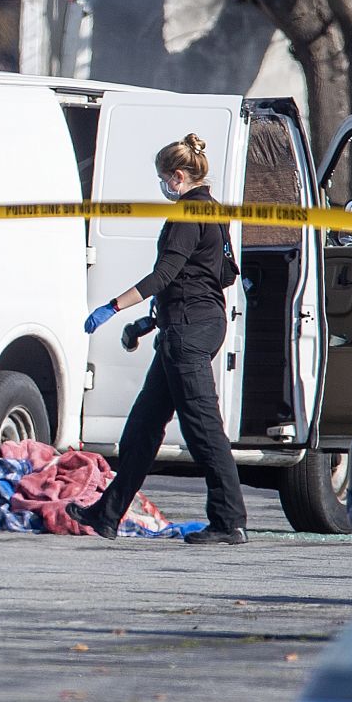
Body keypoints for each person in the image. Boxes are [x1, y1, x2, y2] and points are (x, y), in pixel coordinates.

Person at [66, 133, 248, 545]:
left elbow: (165, 275)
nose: (163, 186)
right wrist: (151, 322)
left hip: (188, 332)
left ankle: (228, 521)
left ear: (179, 176)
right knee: (143, 428)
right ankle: (107, 514)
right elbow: (219, 274)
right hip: (190, 325)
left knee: (203, 428)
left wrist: (113, 307)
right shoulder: (214, 212)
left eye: (164, 178)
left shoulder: (188, 213)